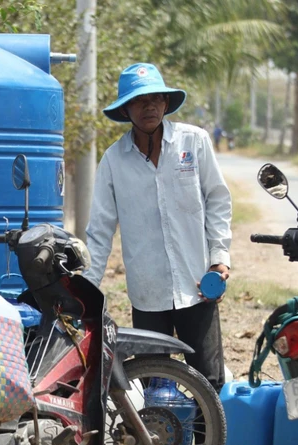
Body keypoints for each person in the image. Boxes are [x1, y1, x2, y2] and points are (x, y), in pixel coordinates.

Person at [84, 63, 233, 393]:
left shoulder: (194, 143)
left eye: (155, 99)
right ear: (126, 109)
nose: (148, 106)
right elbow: (100, 230)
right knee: (154, 384)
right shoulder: (113, 161)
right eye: (139, 101)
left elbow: (218, 200)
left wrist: (219, 259)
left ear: (166, 104)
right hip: (148, 293)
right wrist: (87, 289)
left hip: (197, 286)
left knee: (209, 382)